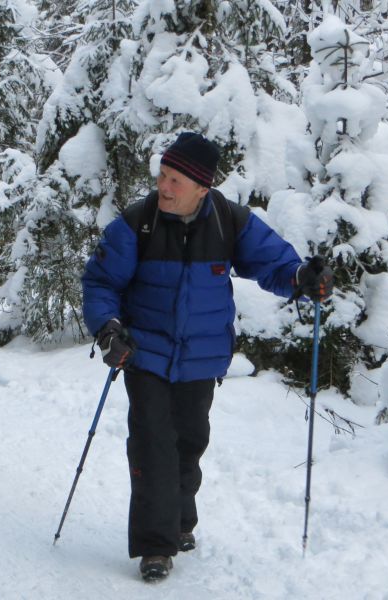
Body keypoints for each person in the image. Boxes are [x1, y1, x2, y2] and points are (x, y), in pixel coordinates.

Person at [81, 132, 333, 583]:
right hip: (145, 353)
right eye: (162, 175)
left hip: (202, 357)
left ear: (202, 187)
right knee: (153, 444)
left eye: (175, 180)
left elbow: (275, 264)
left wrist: (302, 277)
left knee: (189, 442)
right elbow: (101, 282)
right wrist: (109, 328)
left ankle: (179, 521)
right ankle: (155, 546)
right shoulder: (137, 223)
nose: (164, 187)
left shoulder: (229, 222)